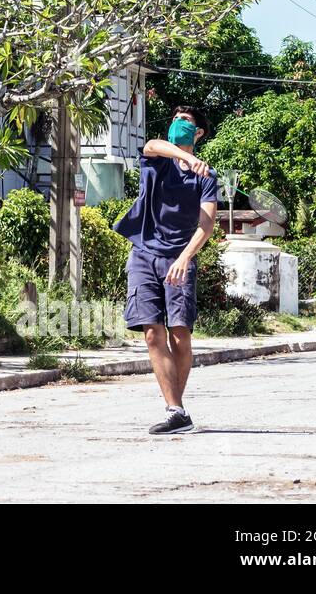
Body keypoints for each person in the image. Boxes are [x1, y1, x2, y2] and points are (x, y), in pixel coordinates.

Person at [113, 105, 218, 434]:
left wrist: (186, 257)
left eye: (186, 122)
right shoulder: (157, 157)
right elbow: (152, 145)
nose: (178, 125)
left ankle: (177, 410)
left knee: (180, 334)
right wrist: (185, 158)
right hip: (143, 253)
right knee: (151, 333)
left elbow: (207, 224)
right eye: (175, 120)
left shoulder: (207, 176)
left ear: (198, 133)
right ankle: (176, 409)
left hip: (179, 256)